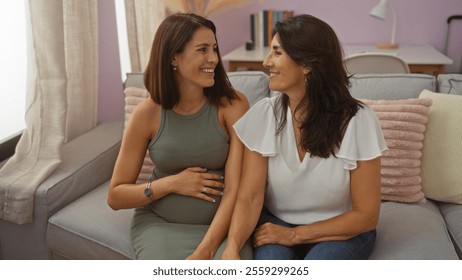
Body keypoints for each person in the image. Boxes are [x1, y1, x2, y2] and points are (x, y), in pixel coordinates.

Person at [221, 14, 388, 260]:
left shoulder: (358, 120)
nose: (266, 62)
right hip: (277, 222)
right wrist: (232, 248)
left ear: (307, 64)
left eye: (277, 53)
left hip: (342, 230)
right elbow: (250, 197)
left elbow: (366, 215)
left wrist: (295, 235)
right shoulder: (265, 114)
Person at [107, 13, 250, 260]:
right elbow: (116, 196)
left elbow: (236, 189)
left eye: (214, 49)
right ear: (174, 57)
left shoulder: (233, 106)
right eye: (202, 50)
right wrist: (173, 183)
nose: (214, 59)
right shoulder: (147, 114)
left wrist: (206, 249)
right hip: (160, 226)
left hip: (222, 229)